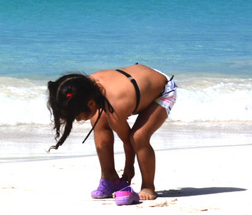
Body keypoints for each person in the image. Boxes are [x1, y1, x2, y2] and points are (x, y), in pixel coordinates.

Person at [46, 65, 178, 202]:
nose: (78, 120)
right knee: (97, 119)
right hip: (137, 82)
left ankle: (148, 185)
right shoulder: (84, 88)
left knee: (138, 136)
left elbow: (128, 141)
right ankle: (109, 177)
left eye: (77, 116)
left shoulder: (116, 105)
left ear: (91, 103)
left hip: (162, 90)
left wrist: (129, 167)